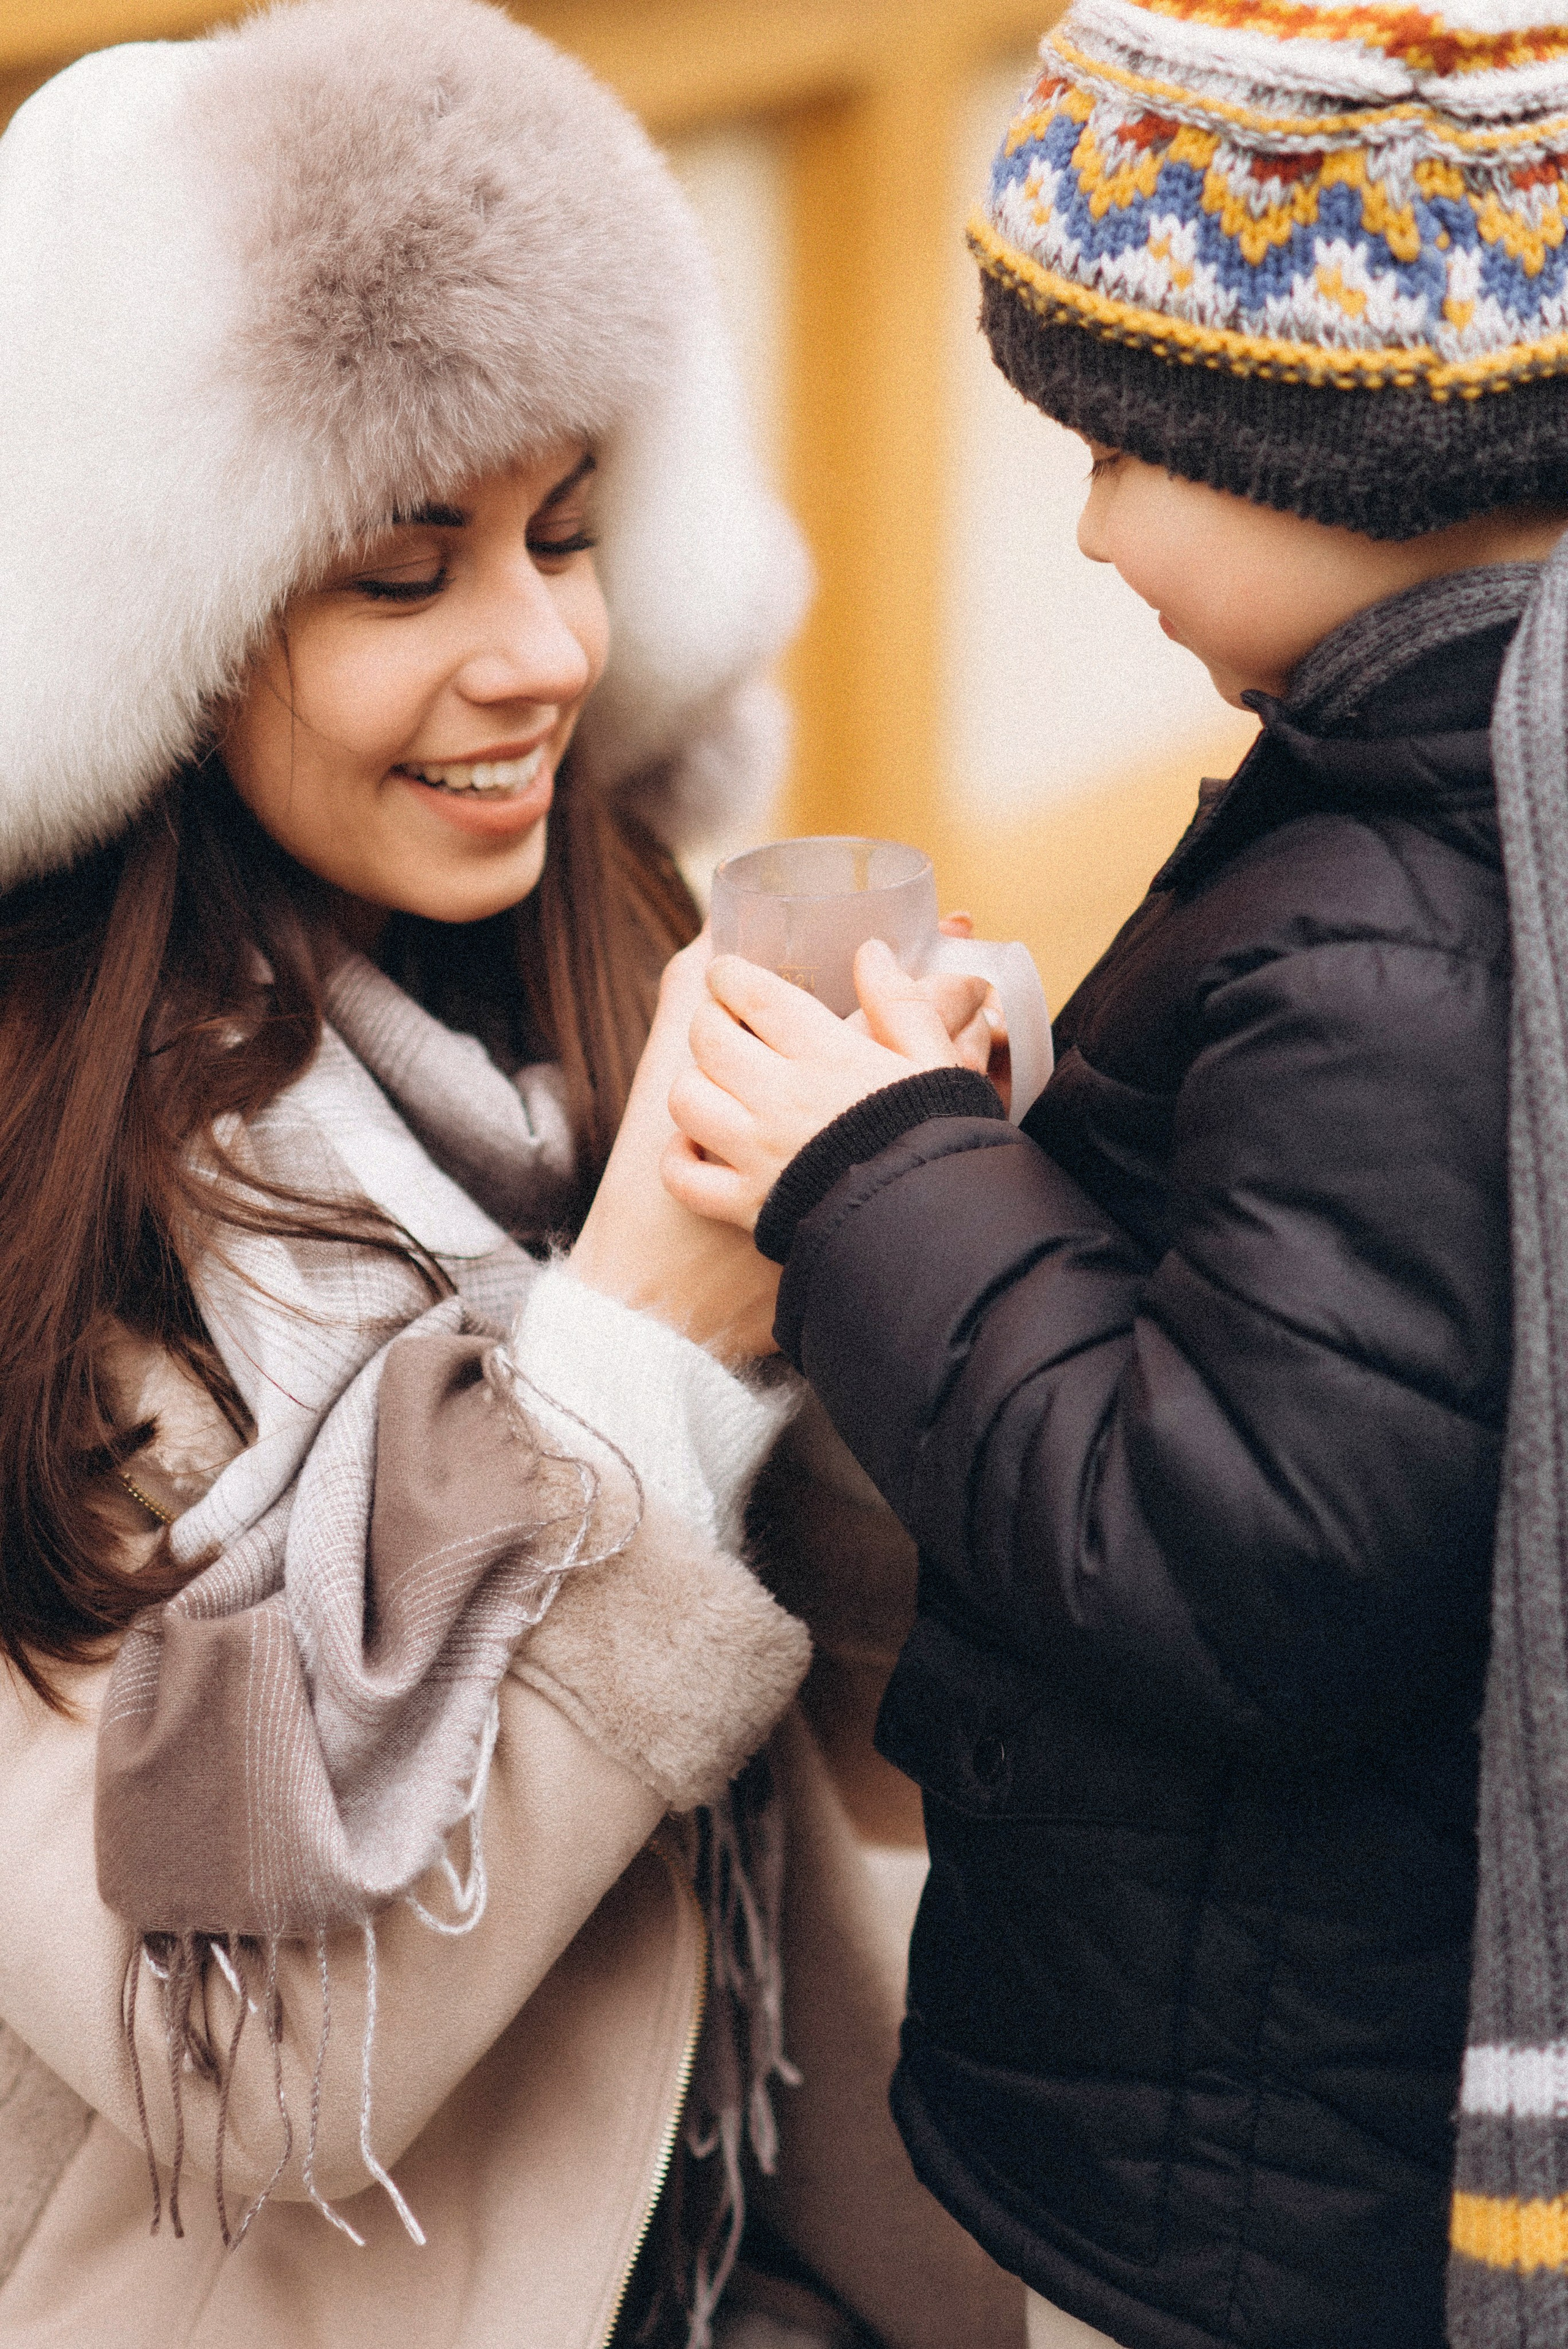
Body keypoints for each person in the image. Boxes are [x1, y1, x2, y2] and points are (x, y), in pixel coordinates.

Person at [0, 5, 1027, 2347]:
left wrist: (915, 1239)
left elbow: (866, 1713)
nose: (544, 648)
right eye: (402, 571)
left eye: (569, 532)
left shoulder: (588, 990)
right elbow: (241, 2073)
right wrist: (640, 1350)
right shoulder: (58, 1217)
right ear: (153, 621)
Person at [658, 5, 1568, 2345]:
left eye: (1112, 453)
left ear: (1308, 442)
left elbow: (1241, 1549)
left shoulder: (1391, 920)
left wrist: (873, 1170)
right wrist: (1005, 1139)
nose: (1081, 525)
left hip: (1266, 2173)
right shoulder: (1452, 813)